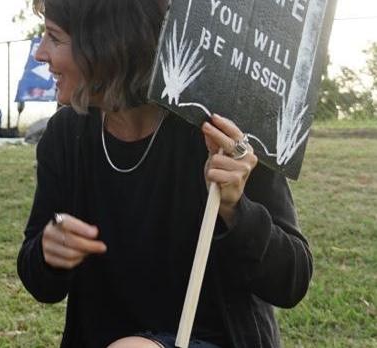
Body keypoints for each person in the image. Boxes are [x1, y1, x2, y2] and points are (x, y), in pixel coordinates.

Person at [16, 0, 313, 347]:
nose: (40, 53)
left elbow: (292, 280)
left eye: (53, 37)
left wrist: (236, 208)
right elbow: (40, 283)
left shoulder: (221, 133)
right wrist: (48, 252)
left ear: (107, 43)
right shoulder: (64, 137)